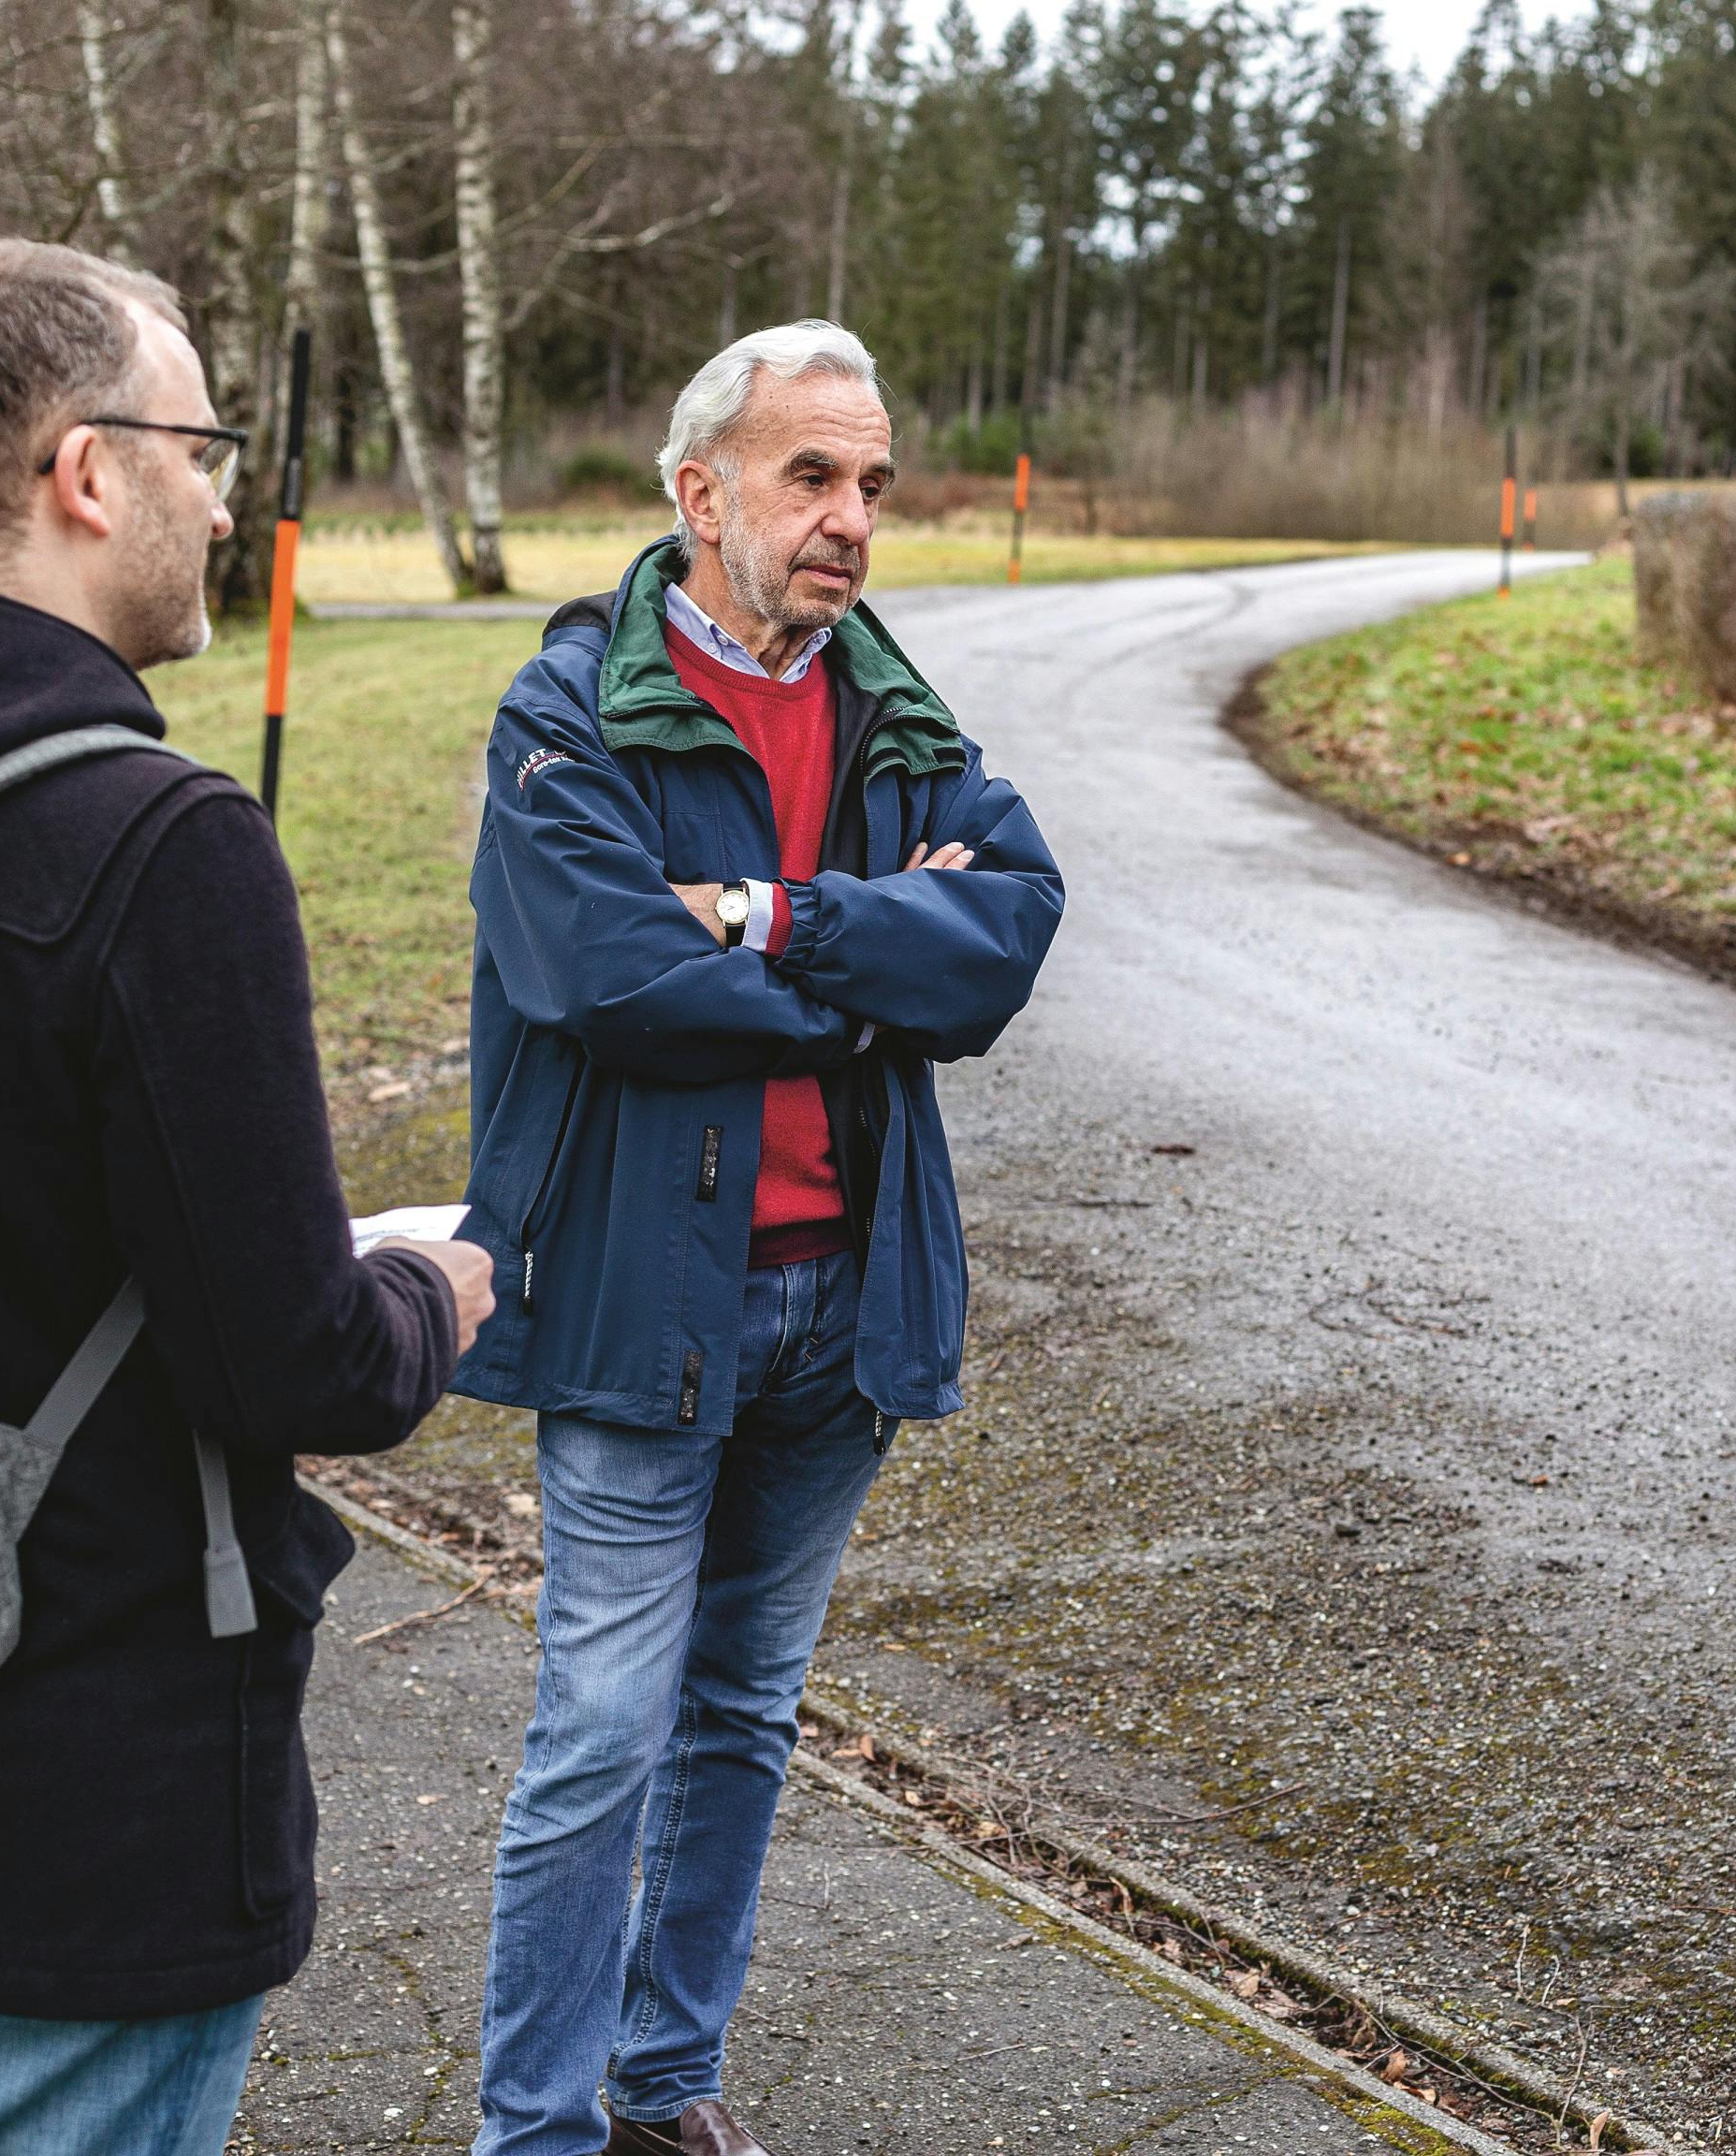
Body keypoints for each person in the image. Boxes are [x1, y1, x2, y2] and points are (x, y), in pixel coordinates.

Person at [0, 239, 497, 2154]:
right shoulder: (156, 845)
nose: (227, 494)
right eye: (203, 445)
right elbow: (293, 1364)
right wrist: (441, 1289)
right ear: (85, 471)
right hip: (90, 1803)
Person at [456, 320, 1063, 2156]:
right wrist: (870, 969)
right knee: (601, 1738)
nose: (852, 517)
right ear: (698, 491)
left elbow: (1015, 927)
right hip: (650, 1300)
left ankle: (662, 2090)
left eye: (873, 481)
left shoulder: (893, 704)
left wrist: (764, 918)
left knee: (742, 1722)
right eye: (813, 476)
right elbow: (605, 975)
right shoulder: (570, 709)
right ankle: (536, 2130)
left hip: (844, 1307)